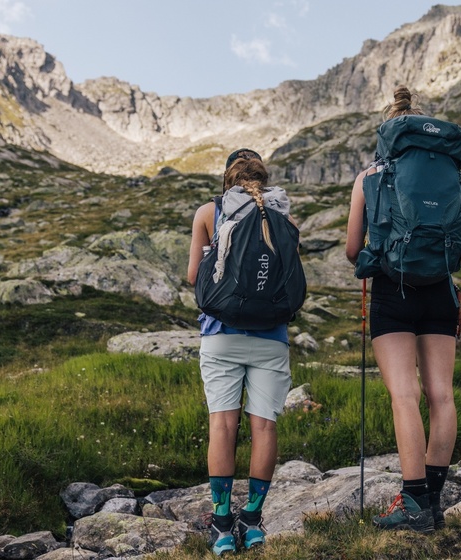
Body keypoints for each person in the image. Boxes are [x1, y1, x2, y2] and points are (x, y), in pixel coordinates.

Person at [344, 87, 458, 534]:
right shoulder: (446, 169)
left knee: (405, 395)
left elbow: (354, 249)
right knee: (442, 395)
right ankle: (432, 499)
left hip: (394, 291)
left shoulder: (369, 175)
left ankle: (411, 503)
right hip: (442, 290)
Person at [186, 149, 292, 555]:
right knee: (264, 427)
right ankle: (253, 520)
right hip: (271, 337)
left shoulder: (208, 212)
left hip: (220, 334)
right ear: (262, 177)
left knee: (223, 426)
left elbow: (195, 277)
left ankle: (222, 526)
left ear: (226, 178)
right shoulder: (280, 211)